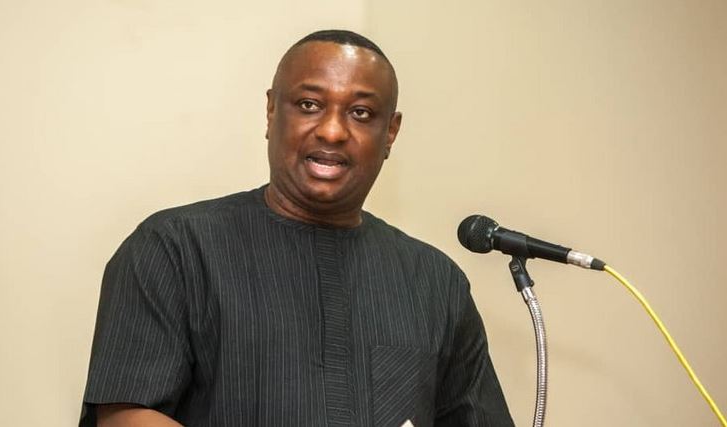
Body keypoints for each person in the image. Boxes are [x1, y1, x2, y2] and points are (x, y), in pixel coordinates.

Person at [80, 30, 514, 426]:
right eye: (309, 105)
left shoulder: (436, 283)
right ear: (271, 111)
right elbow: (126, 416)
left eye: (361, 113)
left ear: (390, 133)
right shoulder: (174, 248)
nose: (332, 131)